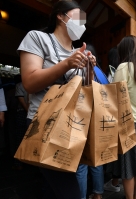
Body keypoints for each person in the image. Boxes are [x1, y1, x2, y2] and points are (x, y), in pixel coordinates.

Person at [17, 1, 95, 198]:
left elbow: (84, 92)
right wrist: (67, 63)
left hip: (71, 125)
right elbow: (30, 82)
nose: (82, 25)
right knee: (70, 191)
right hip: (44, 124)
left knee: (54, 189)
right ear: (61, 16)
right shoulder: (37, 38)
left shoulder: (77, 52)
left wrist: (89, 70)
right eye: (78, 18)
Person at [106, 35, 136, 199]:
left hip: (126, 123)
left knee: (127, 169)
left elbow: (115, 96)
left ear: (123, 50)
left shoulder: (123, 67)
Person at [76, 44, 104, 199]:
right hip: (99, 122)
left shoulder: (79, 72)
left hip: (81, 121)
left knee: (81, 164)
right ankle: (98, 194)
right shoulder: (101, 74)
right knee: (96, 159)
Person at [12, 76, 29, 170]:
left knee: (22, 137)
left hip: (26, 112)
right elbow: (21, 100)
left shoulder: (20, 85)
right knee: (21, 137)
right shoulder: (20, 85)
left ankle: (20, 163)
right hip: (24, 112)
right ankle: (18, 162)